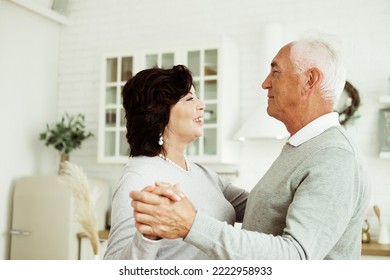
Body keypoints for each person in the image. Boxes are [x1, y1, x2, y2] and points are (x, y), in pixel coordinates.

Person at [130, 35, 371, 259]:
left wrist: (191, 224)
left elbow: (295, 257)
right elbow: (268, 207)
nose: (265, 83)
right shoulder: (304, 147)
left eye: (275, 72)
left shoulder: (334, 156)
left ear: (309, 80)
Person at [103, 65, 248, 260]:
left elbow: (257, 206)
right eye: (190, 98)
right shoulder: (139, 178)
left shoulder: (200, 172)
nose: (202, 104)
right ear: (159, 113)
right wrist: (148, 237)